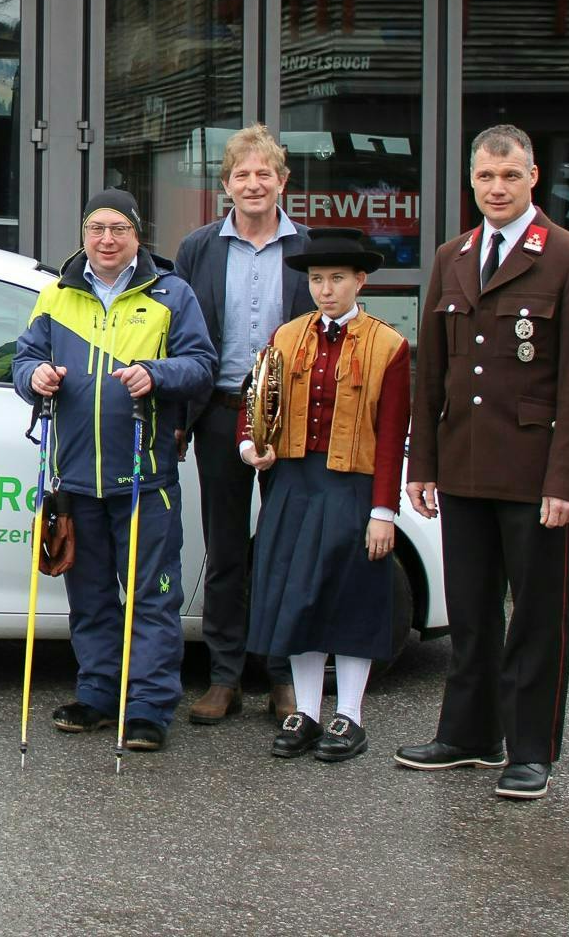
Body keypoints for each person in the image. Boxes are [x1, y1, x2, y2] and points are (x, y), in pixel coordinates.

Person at [400, 125, 569, 801]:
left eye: (510, 176)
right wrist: (423, 465)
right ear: (472, 182)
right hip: (462, 466)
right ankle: (468, 735)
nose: (497, 188)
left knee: (536, 617)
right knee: (470, 611)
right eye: (486, 178)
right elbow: (431, 373)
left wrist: (567, 480)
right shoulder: (453, 256)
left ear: (532, 180)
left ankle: (529, 749)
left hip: (532, 474)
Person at [12, 189, 217, 752]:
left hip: (144, 475)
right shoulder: (56, 294)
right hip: (76, 477)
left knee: (152, 597)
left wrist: (156, 374)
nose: (107, 239)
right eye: (97, 228)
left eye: (118, 229)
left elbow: (202, 366)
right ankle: (99, 694)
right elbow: (23, 358)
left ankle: (149, 707)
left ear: (137, 237)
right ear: (83, 235)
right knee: (92, 596)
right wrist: (35, 377)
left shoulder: (172, 293)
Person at [239, 227, 411, 763]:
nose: (326, 289)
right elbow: (255, 401)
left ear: (360, 281)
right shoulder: (286, 337)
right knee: (300, 600)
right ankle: (308, 713)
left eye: (337, 278)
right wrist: (251, 446)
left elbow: (392, 435)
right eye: (317, 279)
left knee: (351, 601)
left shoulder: (390, 346)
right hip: (294, 483)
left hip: (353, 486)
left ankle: (351, 717)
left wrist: (384, 510)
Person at [172, 124, 313, 725]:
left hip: (290, 422)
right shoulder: (198, 249)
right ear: (225, 184)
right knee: (226, 549)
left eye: (264, 174)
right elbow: (176, 336)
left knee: (284, 549)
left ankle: (282, 677)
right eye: (241, 175)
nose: (253, 185)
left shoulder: (309, 248)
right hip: (220, 416)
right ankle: (225, 676)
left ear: (282, 181)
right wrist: (178, 419)